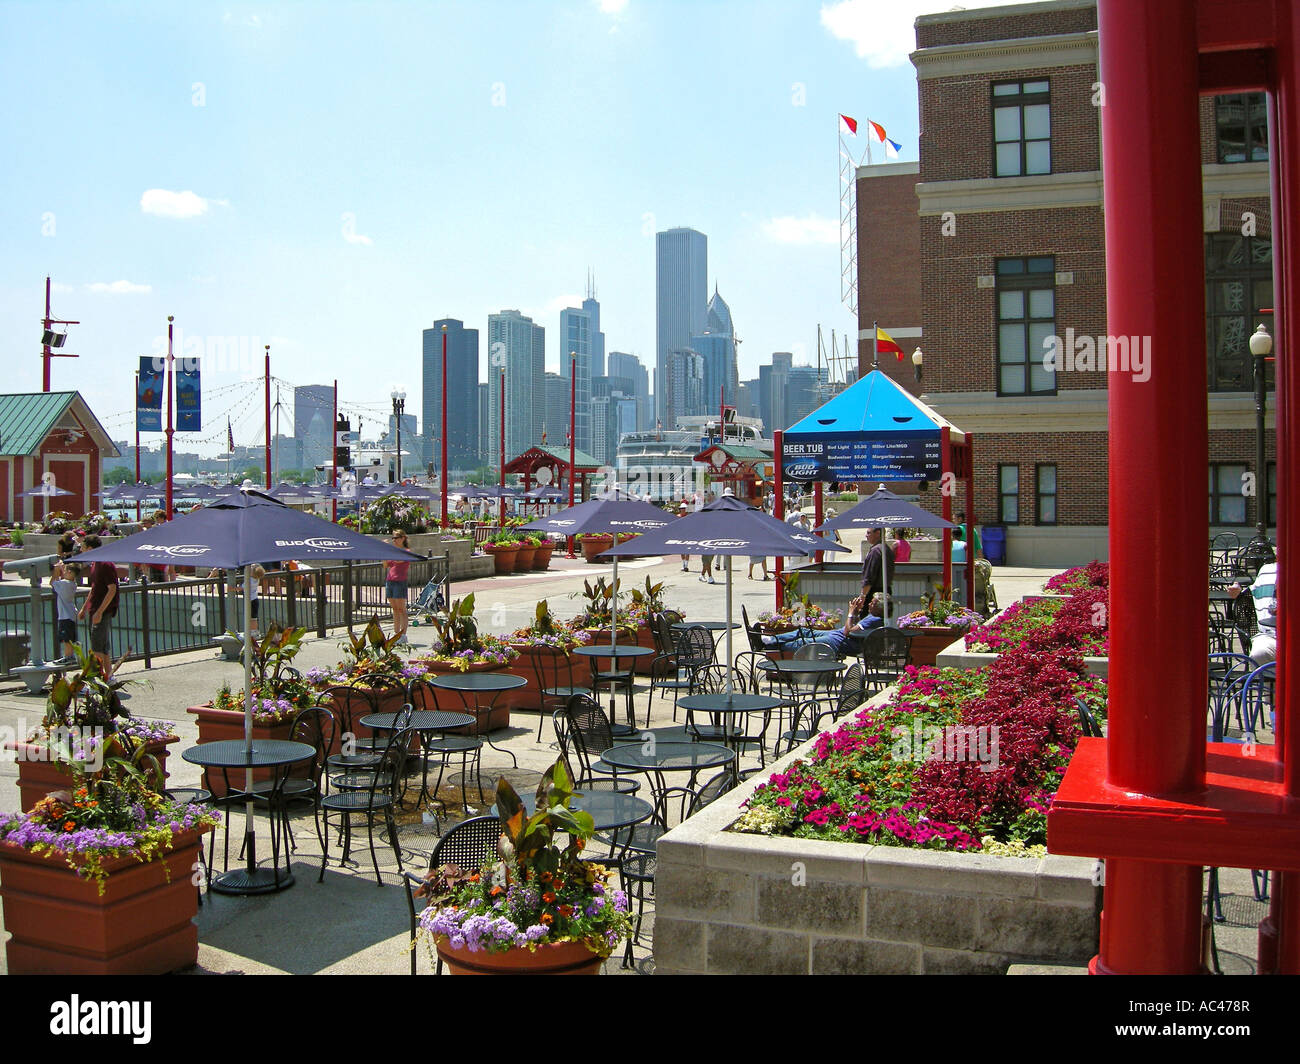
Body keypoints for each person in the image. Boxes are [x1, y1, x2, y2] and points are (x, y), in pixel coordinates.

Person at [762, 593, 891, 656]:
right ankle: (772, 640)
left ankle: (772, 647)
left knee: (806, 641)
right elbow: (854, 629)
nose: (869, 604)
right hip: (838, 635)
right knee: (805, 631)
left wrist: (851, 613)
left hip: (841, 641)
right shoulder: (872, 617)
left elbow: (849, 631)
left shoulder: (874, 618)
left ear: (880, 608)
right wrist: (856, 613)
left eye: (873, 603)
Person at [78, 535, 118, 679]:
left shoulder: (105, 564)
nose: (81, 550)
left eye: (82, 547)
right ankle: (109, 677)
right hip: (94, 610)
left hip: (101, 611)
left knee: (97, 648)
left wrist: (100, 612)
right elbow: (94, 589)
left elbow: (112, 589)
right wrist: (84, 608)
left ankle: (97, 679)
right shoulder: (95, 564)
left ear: (90, 548)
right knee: (102, 647)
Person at [1229, 558, 1278, 665]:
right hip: (1270, 636)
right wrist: (1238, 592)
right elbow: (1250, 595)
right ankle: (1266, 681)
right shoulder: (1266, 570)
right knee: (1259, 653)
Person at [51, 560, 79, 664]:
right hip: (71, 614)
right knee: (70, 637)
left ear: (70, 572)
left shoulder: (64, 584)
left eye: (65, 571)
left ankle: (68, 657)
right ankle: (70, 656)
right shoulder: (72, 584)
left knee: (67, 638)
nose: (64, 573)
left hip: (65, 615)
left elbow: (52, 583)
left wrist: (56, 570)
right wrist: (61, 569)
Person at [387, 531, 412, 644]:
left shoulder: (406, 552)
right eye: (393, 538)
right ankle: (396, 633)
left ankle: (403, 634)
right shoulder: (392, 552)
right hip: (390, 580)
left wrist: (386, 550)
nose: (394, 540)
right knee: (395, 609)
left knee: (401, 609)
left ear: (403, 538)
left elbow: (398, 560)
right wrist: (383, 554)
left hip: (400, 581)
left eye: (396, 537)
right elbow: (386, 565)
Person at [860, 527, 895, 603]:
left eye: (869, 533)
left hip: (874, 594)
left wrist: (863, 596)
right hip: (886, 591)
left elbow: (869, 576)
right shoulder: (887, 549)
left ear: (878, 533)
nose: (866, 535)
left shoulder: (876, 551)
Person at [678, 501, 691, 571]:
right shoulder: (677, 516)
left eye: (684, 508)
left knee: (687, 550)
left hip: (687, 535)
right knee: (681, 550)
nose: (683, 509)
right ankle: (683, 564)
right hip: (680, 535)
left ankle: (686, 565)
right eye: (682, 508)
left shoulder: (688, 517)